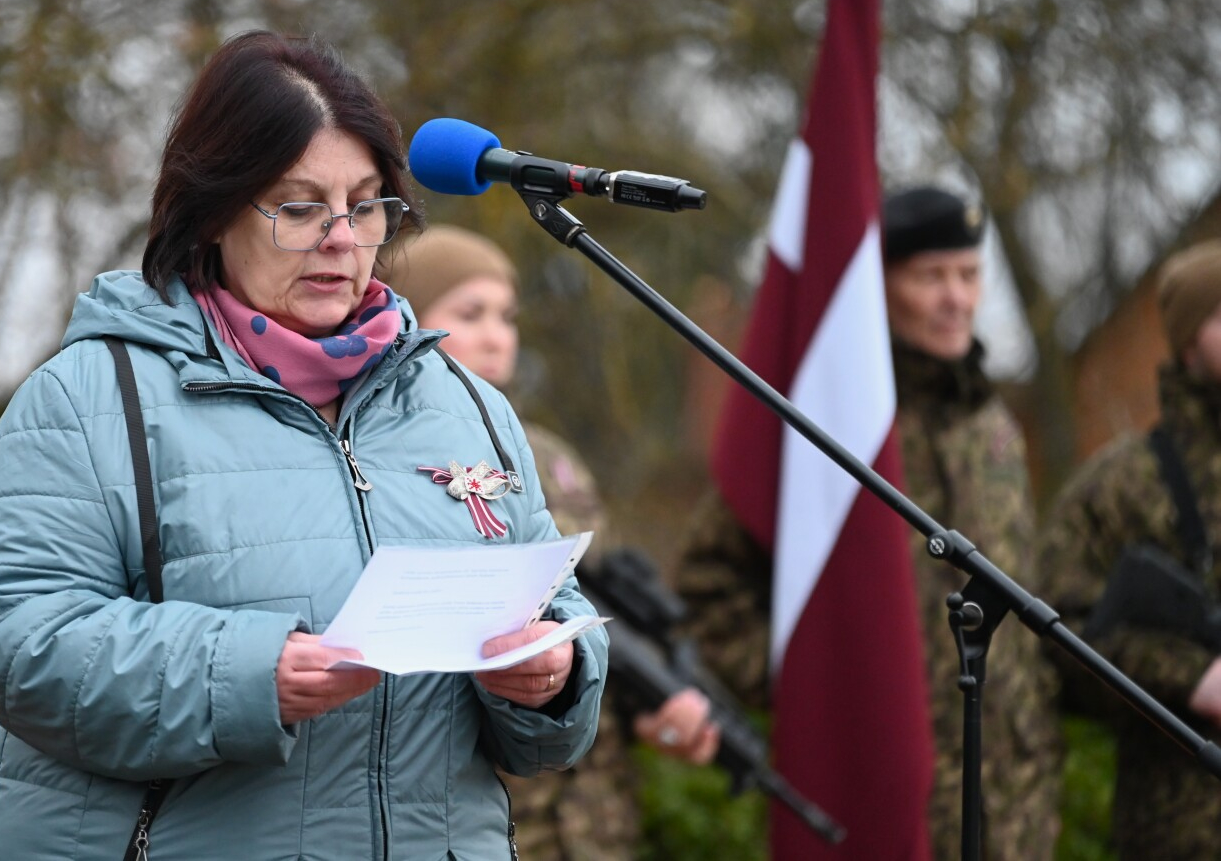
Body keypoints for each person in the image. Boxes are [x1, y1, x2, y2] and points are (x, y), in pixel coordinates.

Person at [0, 31, 608, 860]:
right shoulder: (90, 398)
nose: (341, 239)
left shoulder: (468, 405)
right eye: (299, 209)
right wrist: (246, 674)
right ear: (216, 210)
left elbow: (558, 607)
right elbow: (6, 630)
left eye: (365, 205)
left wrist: (553, 675)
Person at [642, 185, 1064, 859]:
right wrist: (816, 684)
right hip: (873, 799)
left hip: (1012, 807)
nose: (957, 298)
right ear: (879, 285)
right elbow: (705, 590)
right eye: (931, 277)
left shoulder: (995, 429)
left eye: (969, 274)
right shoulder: (824, 430)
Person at [386, 225, 701, 861]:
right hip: (487, 804)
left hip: (592, 813)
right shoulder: (394, 453)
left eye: (507, 315)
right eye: (469, 313)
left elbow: (585, 606)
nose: (497, 334)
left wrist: (646, 698)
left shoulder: (546, 455)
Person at [1043, 239, 1221, 860]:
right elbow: (1058, 632)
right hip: (1179, 830)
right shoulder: (1119, 485)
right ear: (1188, 338)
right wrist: (1192, 676)